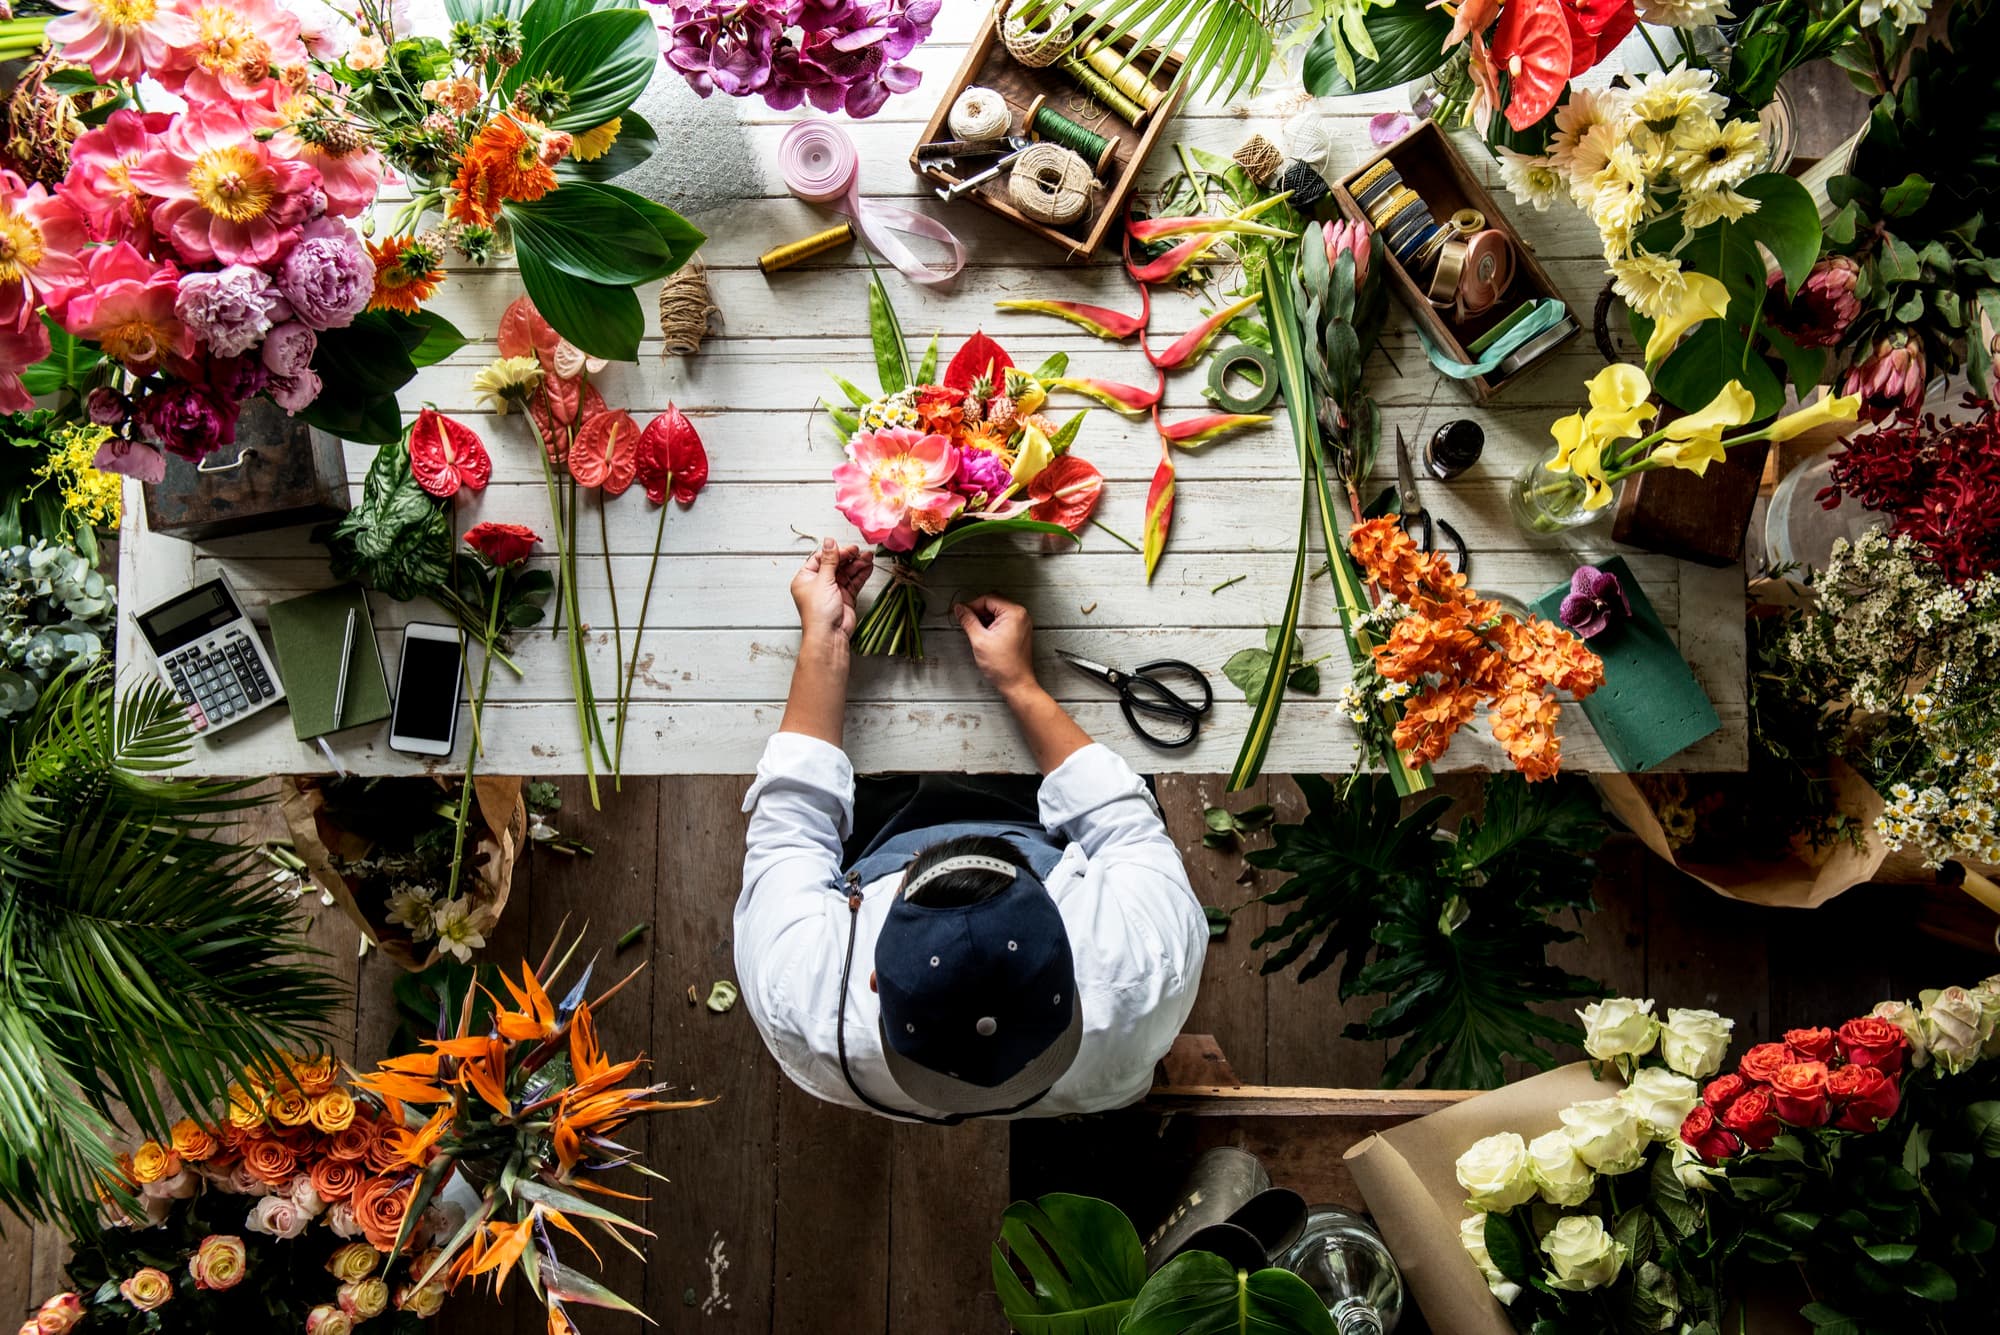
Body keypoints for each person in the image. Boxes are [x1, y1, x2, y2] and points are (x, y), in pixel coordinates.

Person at [736, 538, 1207, 1123]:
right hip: (1038, 827)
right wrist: (1020, 684)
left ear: (877, 979)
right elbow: (1124, 822)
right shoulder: (1146, 967)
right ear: (1069, 940)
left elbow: (792, 825)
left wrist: (826, 641)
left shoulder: (802, 999)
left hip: (882, 835)